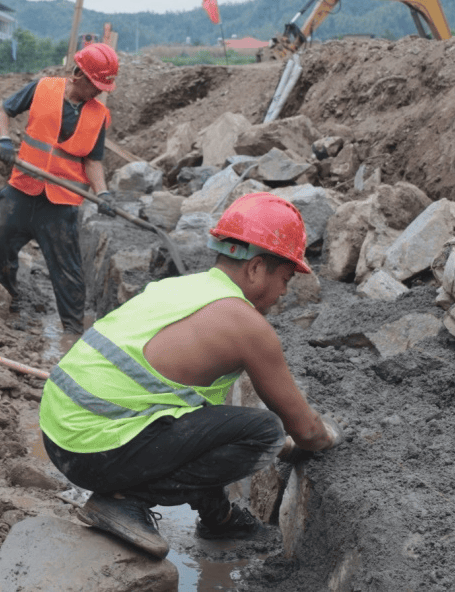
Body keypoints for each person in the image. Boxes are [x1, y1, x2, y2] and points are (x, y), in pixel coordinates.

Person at [39, 192, 345, 558]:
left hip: (60, 432)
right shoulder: (246, 325)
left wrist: (220, 512)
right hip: (93, 447)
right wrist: (327, 437)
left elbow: (195, 424)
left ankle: (219, 517)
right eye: (285, 278)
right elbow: (307, 430)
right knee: (264, 432)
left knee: (215, 424)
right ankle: (123, 500)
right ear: (256, 268)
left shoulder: (182, 289)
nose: (283, 292)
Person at [0, 43, 119, 335]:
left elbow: (93, 161)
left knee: (67, 273)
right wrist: (4, 138)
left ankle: (72, 334)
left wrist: (102, 193)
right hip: (22, 189)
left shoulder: (98, 116)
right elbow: (2, 109)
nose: (99, 91)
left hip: (60, 204)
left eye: (103, 86)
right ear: (78, 73)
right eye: (96, 84)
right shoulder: (43, 89)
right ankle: (5, 303)